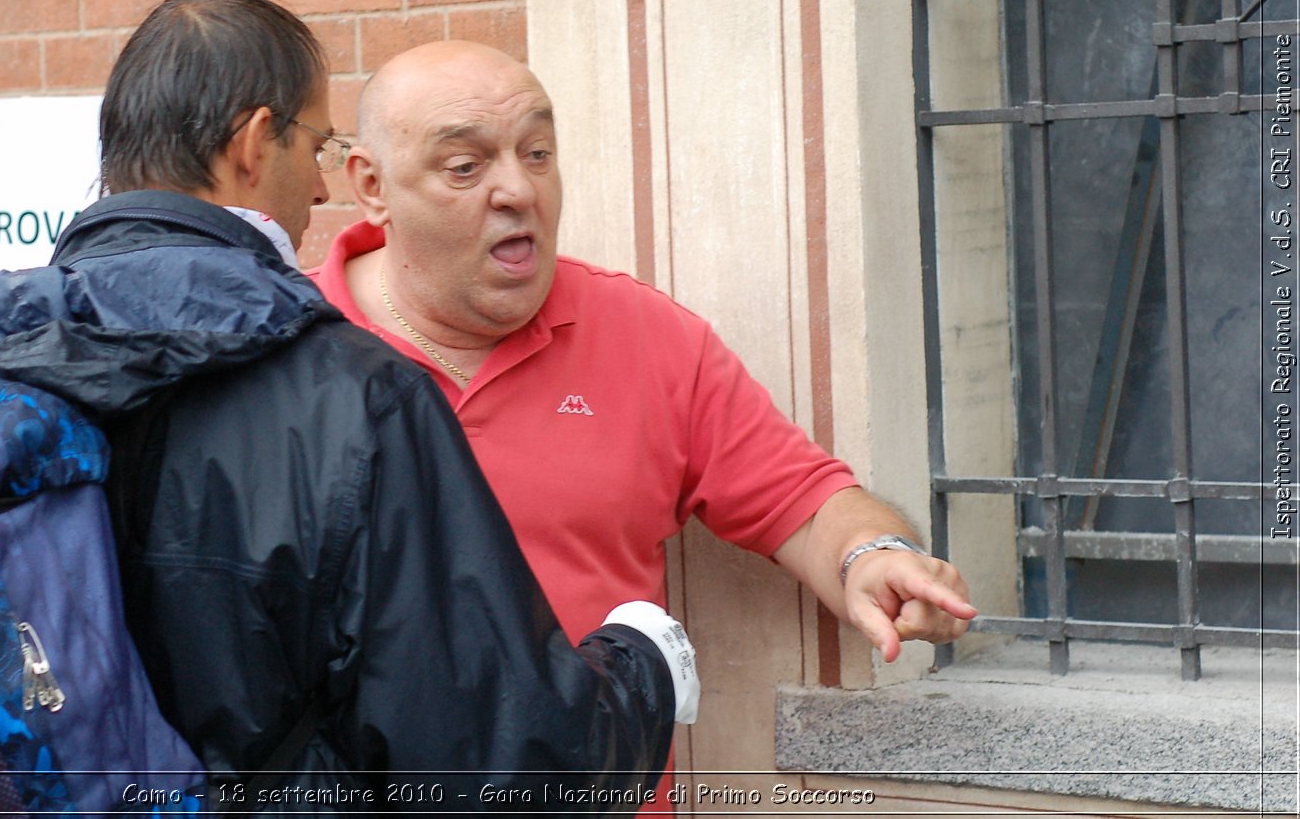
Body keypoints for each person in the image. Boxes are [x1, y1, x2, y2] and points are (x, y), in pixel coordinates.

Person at [0, 0, 697, 808]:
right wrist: (642, 663)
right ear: (255, 144)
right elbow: (505, 769)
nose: (320, 193)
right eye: (317, 147)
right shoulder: (353, 395)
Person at [312, 40, 976, 660]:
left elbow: (802, 505)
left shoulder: (645, 337)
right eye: (466, 166)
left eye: (538, 153)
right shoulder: (286, 345)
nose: (518, 190)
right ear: (371, 186)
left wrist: (875, 554)